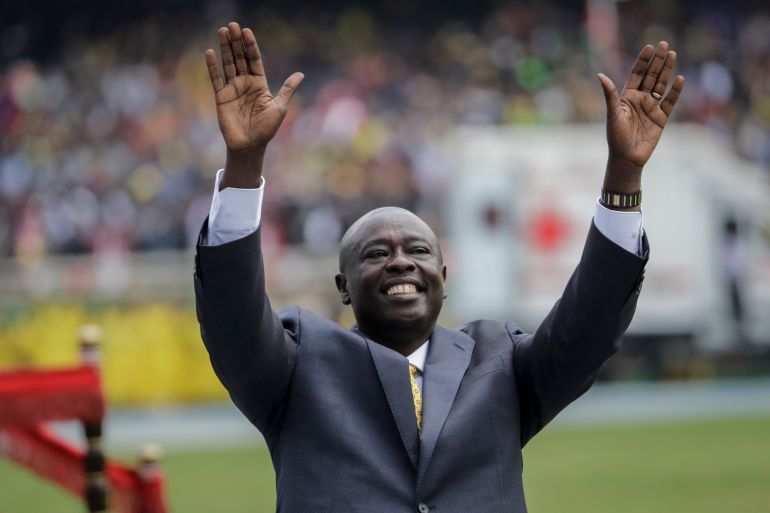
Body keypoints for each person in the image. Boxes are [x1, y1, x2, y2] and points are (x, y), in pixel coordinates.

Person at [194, 21, 684, 513]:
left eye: (418, 251)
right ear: (343, 287)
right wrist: (244, 163)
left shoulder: (500, 362)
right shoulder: (297, 365)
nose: (400, 261)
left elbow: (591, 324)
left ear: (444, 279)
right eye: (376, 254)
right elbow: (232, 316)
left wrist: (624, 174)